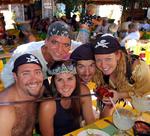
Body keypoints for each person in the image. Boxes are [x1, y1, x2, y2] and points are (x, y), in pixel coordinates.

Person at [92, 34, 150, 118]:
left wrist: (120, 95)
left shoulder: (139, 69)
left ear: (118, 55)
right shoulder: (98, 71)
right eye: (98, 60)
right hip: (121, 107)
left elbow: (145, 95)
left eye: (108, 59)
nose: (103, 65)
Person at [1, 21, 71, 88]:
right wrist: (19, 96)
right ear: (46, 41)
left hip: (42, 82)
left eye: (66, 45)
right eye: (55, 42)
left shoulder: (65, 43)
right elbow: (6, 76)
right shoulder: (26, 53)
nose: (60, 49)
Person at [39, 60, 95, 136]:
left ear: (76, 79)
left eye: (69, 79)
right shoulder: (48, 104)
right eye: (60, 80)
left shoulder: (83, 91)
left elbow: (91, 123)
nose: (65, 85)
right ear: (54, 82)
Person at [0, 53, 44, 136]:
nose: (34, 79)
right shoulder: (5, 110)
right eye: (26, 74)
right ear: (15, 76)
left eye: (37, 72)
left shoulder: (37, 92)